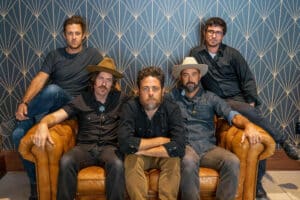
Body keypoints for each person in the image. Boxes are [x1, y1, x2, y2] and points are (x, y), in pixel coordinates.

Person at [190, 17, 300, 199]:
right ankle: (284, 141)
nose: (213, 36)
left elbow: (247, 78)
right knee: (250, 117)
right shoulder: (196, 54)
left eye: (217, 33)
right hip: (218, 101)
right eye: (210, 31)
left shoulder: (232, 54)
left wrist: (251, 102)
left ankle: (257, 185)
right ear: (204, 33)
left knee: (259, 133)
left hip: (238, 99)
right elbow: (193, 77)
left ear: (223, 35)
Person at [12, 15, 103, 200]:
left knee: (53, 90)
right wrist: (24, 102)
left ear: (84, 35)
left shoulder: (93, 55)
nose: (74, 37)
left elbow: (105, 78)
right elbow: (39, 79)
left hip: (75, 106)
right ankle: (35, 186)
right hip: (51, 107)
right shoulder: (55, 55)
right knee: (17, 135)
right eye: (70, 33)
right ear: (64, 35)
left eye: (77, 33)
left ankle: (24, 116)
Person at [31, 57, 127, 200]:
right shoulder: (81, 99)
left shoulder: (121, 99)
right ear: (94, 80)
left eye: (108, 80)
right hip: (84, 148)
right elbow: (58, 116)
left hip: (110, 148)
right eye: (101, 78)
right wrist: (43, 123)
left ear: (113, 84)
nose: (104, 83)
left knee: (118, 164)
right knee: (66, 160)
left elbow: (139, 109)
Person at [169, 56, 264, 200]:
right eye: (186, 74)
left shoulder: (211, 98)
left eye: (194, 74)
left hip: (208, 148)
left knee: (232, 161)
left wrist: (248, 125)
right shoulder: (172, 97)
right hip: (185, 147)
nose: (190, 78)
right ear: (181, 77)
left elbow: (231, 114)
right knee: (188, 161)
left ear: (199, 76)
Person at [117, 66, 186, 200]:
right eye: (145, 88)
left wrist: (141, 150)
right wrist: (161, 141)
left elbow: (179, 147)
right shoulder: (130, 107)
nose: (150, 93)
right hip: (145, 156)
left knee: (174, 159)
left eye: (155, 88)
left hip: (159, 155)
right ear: (138, 91)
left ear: (163, 91)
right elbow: (124, 143)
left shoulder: (172, 108)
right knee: (131, 159)